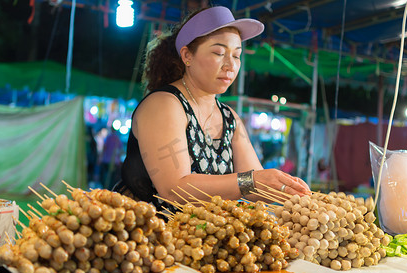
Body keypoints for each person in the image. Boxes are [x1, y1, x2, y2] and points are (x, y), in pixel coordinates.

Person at [115, 6, 310, 211]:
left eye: (236, 55)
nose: (230, 65)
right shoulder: (164, 104)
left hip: (203, 238)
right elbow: (174, 190)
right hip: (149, 235)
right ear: (187, 56)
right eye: (219, 52)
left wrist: (286, 188)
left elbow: (255, 188)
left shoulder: (229, 118)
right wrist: (252, 181)